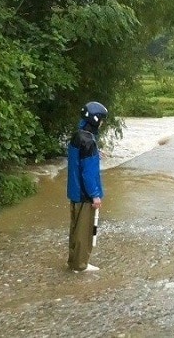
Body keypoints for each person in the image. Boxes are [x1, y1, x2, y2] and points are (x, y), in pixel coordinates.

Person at [67, 101, 108, 273]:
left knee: (75, 229)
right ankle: (80, 265)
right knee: (84, 232)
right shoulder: (89, 141)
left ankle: (73, 261)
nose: (102, 123)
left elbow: (77, 160)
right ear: (95, 119)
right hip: (85, 194)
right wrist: (95, 195)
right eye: (102, 120)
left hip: (75, 191)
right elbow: (89, 173)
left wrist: (96, 153)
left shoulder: (78, 135)